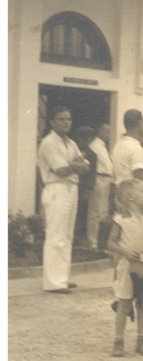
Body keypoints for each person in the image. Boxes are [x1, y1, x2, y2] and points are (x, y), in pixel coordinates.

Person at [106, 179, 143, 357]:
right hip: (128, 268)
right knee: (124, 304)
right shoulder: (121, 221)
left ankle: (141, 340)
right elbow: (111, 242)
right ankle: (118, 341)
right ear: (131, 197)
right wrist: (124, 252)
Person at [37, 106, 90, 293]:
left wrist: (74, 165)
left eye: (68, 119)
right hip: (56, 189)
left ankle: (63, 277)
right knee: (56, 236)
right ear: (52, 122)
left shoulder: (71, 143)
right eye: (61, 119)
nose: (66, 122)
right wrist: (76, 164)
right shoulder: (48, 143)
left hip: (71, 188)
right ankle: (53, 282)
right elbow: (61, 170)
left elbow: (85, 167)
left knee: (67, 237)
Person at [87, 123, 113, 249]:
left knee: (103, 212)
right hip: (98, 178)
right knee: (95, 212)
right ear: (100, 130)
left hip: (106, 179)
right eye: (106, 131)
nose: (108, 134)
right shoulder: (95, 146)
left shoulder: (104, 147)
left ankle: (101, 241)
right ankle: (93, 241)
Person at [72, 126, 98, 244]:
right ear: (79, 138)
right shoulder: (72, 151)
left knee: (81, 211)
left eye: (89, 139)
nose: (86, 141)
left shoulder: (92, 155)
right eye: (84, 138)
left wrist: (88, 190)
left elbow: (92, 174)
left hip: (83, 187)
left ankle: (78, 236)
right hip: (71, 184)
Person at [111, 109, 143, 185]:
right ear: (140, 124)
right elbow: (139, 179)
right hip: (132, 190)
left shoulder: (117, 146)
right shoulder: (136, 148)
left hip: (119, 189)